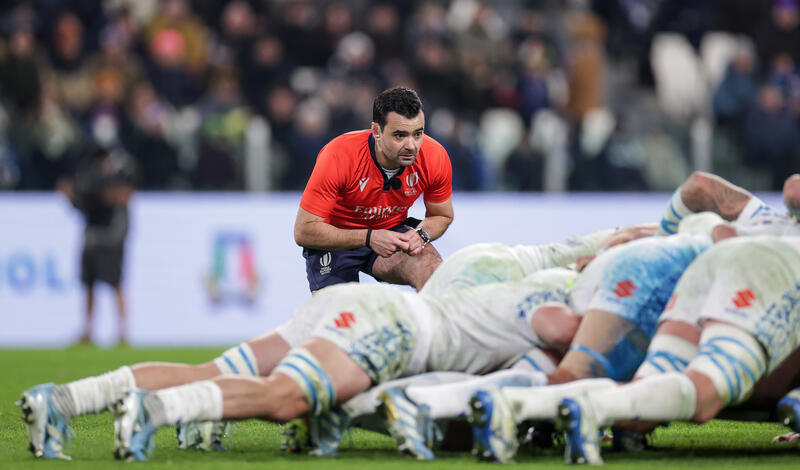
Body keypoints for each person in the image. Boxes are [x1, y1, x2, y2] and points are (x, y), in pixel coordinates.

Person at [467, 175, 800, 464]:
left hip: (692, 256)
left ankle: (489, 400)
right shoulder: (779, 239)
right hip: (735, 268)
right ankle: (568, 407)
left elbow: (703, 185)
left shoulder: (764, 220)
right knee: (700, 393)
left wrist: (663, 234)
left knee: (641, 387)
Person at [293, 86, 453, 292]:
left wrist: (421, 234)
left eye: (417, 134)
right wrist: (369, 237)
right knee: (346, 321)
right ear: (376, 131)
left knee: (433, 273)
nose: (411, 145)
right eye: (399, 135)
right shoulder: (339, 155)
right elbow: (303, 231)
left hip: (390, 232)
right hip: (334, 241)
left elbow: (442, 216)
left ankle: (430, 324)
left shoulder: (434, 156)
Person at [57, 145, 136, 345]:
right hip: (92, 239)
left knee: (115, 285)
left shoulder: (119, 177)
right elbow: (85, 207)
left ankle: (122, 331)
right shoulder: (91, 180)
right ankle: (88, 331)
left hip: (110, 240)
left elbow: (122, 199)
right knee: (89, 285)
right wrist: (71, 199)